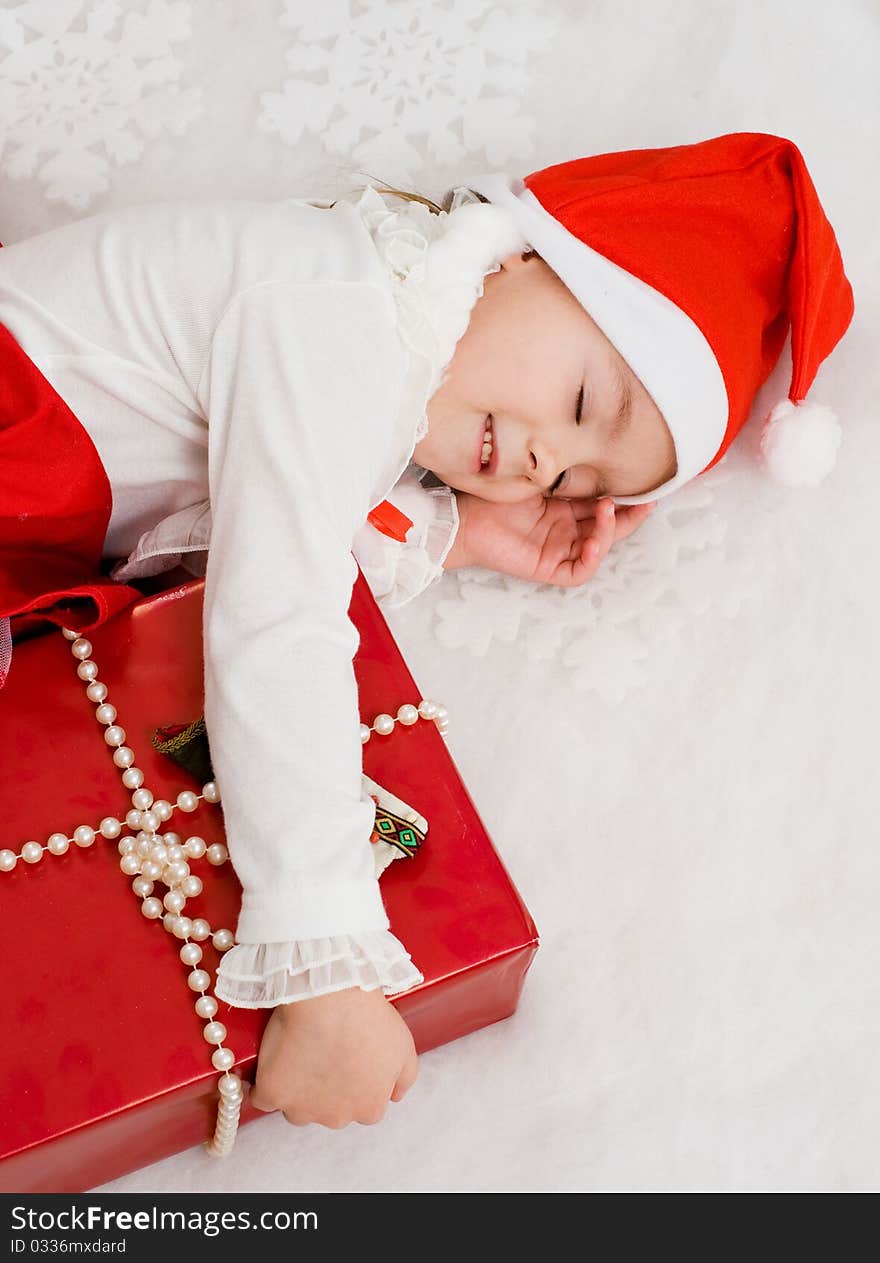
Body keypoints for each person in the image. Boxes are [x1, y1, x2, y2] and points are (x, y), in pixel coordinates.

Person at [0, 131, 854, 1131]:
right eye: (581, 404)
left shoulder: (386, 332)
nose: (543, 459)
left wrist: (457, 534)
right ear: (527, 258)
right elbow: (277, 613)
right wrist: (325, 967)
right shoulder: (340, 308)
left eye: (574, 481)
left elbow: (262, 512)